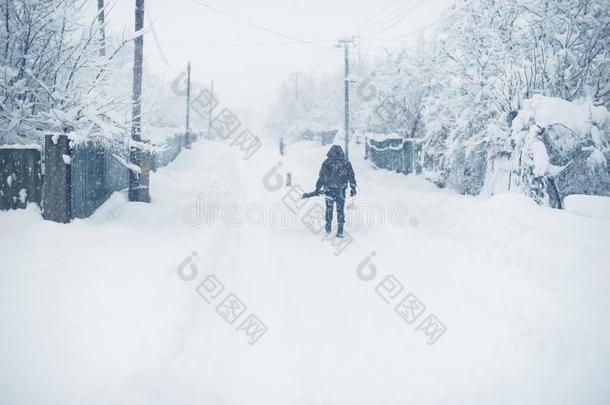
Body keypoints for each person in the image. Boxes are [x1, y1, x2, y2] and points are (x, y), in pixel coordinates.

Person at [315, 145, 357, 238]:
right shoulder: (346, 163)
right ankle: (340, 230)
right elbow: (351, 176)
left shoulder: (327, 162)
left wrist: (317, 187)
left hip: (329, 190)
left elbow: (322, 176)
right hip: (341, 191)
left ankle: (328, 224)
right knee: (340, 210)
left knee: (329, 208)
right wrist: (353, 187)